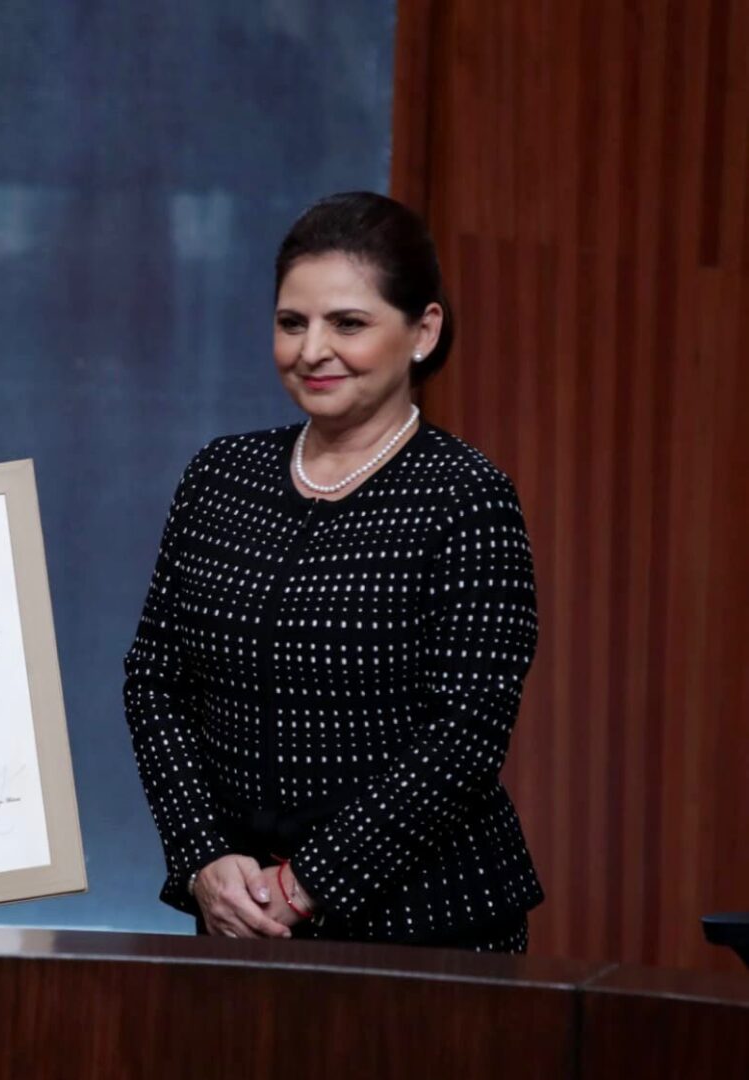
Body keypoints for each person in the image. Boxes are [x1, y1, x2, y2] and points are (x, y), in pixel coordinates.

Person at [123, 192, 542, 952]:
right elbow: (155, 683)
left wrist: (306, 882)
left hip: (428, 931)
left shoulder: (467, 497)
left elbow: (466, 734)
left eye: (347, 323)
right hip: (236, 922)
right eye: (291, 323)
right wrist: (202, 860)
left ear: (422, 331)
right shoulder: (220, 476)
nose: (312, 349)